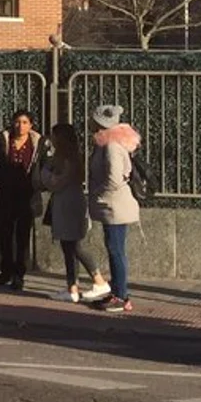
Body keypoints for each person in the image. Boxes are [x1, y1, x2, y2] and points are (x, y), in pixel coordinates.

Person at [38, 123, 110, 303]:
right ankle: (74, 286)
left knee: (74, 245)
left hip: (67, 203)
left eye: (54, 136)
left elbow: (55, 182)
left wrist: (44, 170)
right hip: (69, 201)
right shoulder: (67, 157)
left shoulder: (67, 159)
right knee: (70, 246)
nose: (51, 139)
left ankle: (96, 281)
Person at [87, 103, 141, 313]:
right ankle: (118, 291)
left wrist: (99, 192)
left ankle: (121, 295)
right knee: (114, 248)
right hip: (112, 204)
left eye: (93, 120)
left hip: (114, 205)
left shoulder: (111, 146)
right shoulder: (110, 144)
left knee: (116, 250)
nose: (89, 124)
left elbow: (114, 178)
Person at [0, 109, 43, 291]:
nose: (20, 126)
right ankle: (5, 272)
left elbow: (45, 166)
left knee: (23, 237)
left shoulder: (38, 143)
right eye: (17, 122)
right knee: (5, 236)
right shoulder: (3, 140)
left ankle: (19, 275)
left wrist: (39, 182)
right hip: (6, 194)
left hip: (27, 195)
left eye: (24, 122)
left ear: (31, 125)